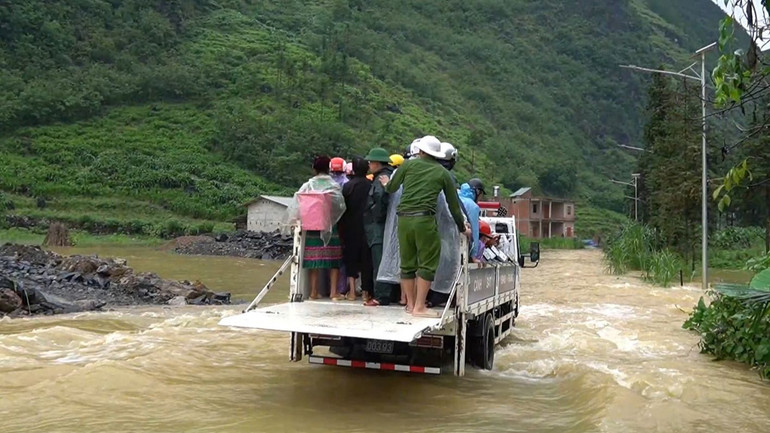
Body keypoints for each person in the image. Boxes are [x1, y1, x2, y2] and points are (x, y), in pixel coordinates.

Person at [382, 136, 466, 317]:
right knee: (427, 264)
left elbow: (391, 188)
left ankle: (411, 305)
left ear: (420, 151)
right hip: (424, 221)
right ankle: (420, 307)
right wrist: (462, 227)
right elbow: (454, 207)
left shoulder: (406, 166)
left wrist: (385, 183)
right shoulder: (442, 173)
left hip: (403, 220)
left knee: (407, 264)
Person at [290, 156, 346, 300]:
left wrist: (297, 219)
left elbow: (298, 200)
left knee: (313, 260)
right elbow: (340, 205)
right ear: (328, 168)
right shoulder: (334, 185)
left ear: (314, 169)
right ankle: (334, 292)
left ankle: (313, 292)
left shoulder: (308, 185)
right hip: (330, 225)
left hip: (312, 225)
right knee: (334, 260)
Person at [362, 148, 396, 307]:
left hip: (379, 228)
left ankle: (381, 296)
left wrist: (375, 216)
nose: (369, 164)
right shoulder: (390, 175)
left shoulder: (381, 179)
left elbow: (381, 200)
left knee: (379, 260)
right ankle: (389, 294)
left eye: (371, 162)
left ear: (377, 163)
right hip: (386, 226)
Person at [339, 157, 373, 302]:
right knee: (367, 259)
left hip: (350, 227)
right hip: (367, 226)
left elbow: (342, 208)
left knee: (350, 258)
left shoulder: (348, 186)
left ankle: (352, 292)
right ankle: (366, 292)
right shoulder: (371, 185)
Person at [458, 182, 482, 261]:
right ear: (477, 192)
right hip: (461, 248)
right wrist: (473, 255)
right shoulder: (473, 206)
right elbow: (475, 232)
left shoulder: (455, 197)